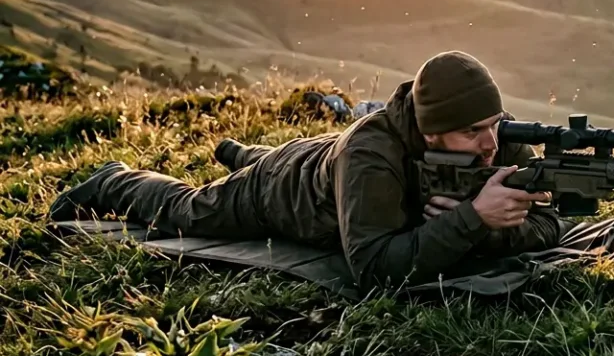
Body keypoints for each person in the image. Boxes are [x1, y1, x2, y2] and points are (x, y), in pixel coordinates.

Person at [48, 51, 567, 291]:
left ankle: (243, 150)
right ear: (432, 133)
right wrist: (471, 220)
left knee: (308, 156)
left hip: (324, 158)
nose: (491, 144)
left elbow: (551, 225)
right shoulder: (371, 158)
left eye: (495, 124)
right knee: (185, 209)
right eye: (473, 131)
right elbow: (372, 269)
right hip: (281, 191)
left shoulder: (490, 141)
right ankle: (115, 178)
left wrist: (491, 223)